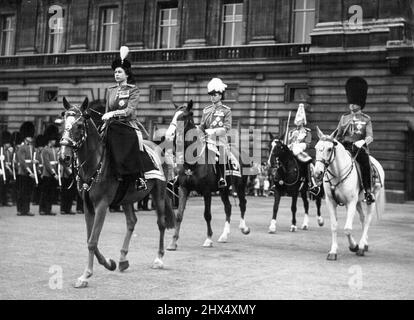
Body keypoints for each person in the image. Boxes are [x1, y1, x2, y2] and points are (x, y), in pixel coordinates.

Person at [101, 46, 154, 191]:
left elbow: (130, 110)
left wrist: (113, 114)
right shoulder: (111, 90)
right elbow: (107, 110)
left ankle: (139, 176)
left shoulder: (133, 89)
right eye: (115, 72)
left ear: (126, 74)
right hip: (112, 125)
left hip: (127, 125)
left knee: (134, 142)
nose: (116, 74)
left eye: (119, 72)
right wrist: (105, 121)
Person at [336, 76, 375, 204]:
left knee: (365, 163)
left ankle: (368, 192)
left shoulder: (366, 119)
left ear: (359, 103)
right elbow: (338, 134)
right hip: (345, 146)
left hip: (359, 148)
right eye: (350, 102)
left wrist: (362, 142)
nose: (351, 104)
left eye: (354, 102)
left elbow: (370, 137)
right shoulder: (344, 118)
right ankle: (322, 186)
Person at [198, 78, 232, 188]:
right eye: (211, 95)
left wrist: (214, 131)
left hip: (219, 141)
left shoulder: (226, 110)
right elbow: (202, 126)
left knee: (221, 154)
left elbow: (227, 128)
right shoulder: (206, 110)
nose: (212, 97)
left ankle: (222, 178)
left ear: (220, 95)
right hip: (205, 140)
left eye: (215, 94)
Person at [286, 103, 320, 195]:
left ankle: (310, 184)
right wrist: (291, 140)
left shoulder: (307, 132)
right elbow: (289, 143)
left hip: (302, 151)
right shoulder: (292, 132)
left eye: (299, 121)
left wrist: (300, 145)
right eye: (297, 121)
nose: (298, 123)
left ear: (303, 122)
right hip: (292, 150)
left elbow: (308, 143)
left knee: (308, 164)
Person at [16, 122, 36, 216]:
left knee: (28, 193)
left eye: (31, 136)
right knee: (22, 192)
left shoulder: (31, 147)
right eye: (29, 136)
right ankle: (20, 210)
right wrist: (29, 172)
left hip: (30, 172)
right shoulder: (21, 147)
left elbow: (30, 160)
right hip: (23, 173)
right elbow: (22, 162)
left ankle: (26, 209)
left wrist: (34, 162)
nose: (31, 138)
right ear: (25, 137)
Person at [39, 126, 59, 215]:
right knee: (45, 193)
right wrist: (54, 174)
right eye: (53, 139)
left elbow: (55, 162)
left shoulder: (54, 150)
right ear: (50, 140)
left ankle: (48, 209)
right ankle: (43, 209)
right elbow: (47, 164)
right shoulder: (45, 150)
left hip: (53, 174)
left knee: (51, 193)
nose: (55, 141)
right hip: (47, 174)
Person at [0, 131, 13, 206]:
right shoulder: (1, 151)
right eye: (8, 143)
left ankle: (4, 200)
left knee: (6, 187)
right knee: (1, 187)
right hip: (2, 171)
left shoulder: (8, 152)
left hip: (8, 171)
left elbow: (10, 161)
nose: (9, 144)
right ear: (5, 143)